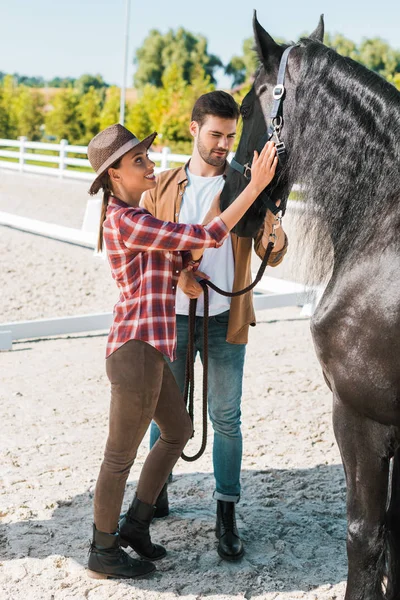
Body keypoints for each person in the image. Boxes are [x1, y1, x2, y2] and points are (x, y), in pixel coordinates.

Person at [85, 123, 279, 580]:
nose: (150, 165)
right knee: (119, 457)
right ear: (115, 175)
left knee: (179, 430)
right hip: (133, 351)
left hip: (151, 347)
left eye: (148, 159)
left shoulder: (139, 218)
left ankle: (136, 523)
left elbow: (178, 250)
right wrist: (254, 186)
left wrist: (184, 269)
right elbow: (206, 233)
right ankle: (102, 550)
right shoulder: (126, 219)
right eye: (139, 162)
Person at [143, 91, 288, 561]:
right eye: (215, 135)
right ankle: (154, 492)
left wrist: (277, 238)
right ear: (193, 129)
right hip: (173, 321)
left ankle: (226, 514)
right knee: (164, 414)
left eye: (230, 136)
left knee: (226, 419)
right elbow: (147, 252)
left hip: (226, 320)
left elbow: (272, 250)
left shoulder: (248, 185)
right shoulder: (162, 187)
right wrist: (178, 273)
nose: (224, 144)